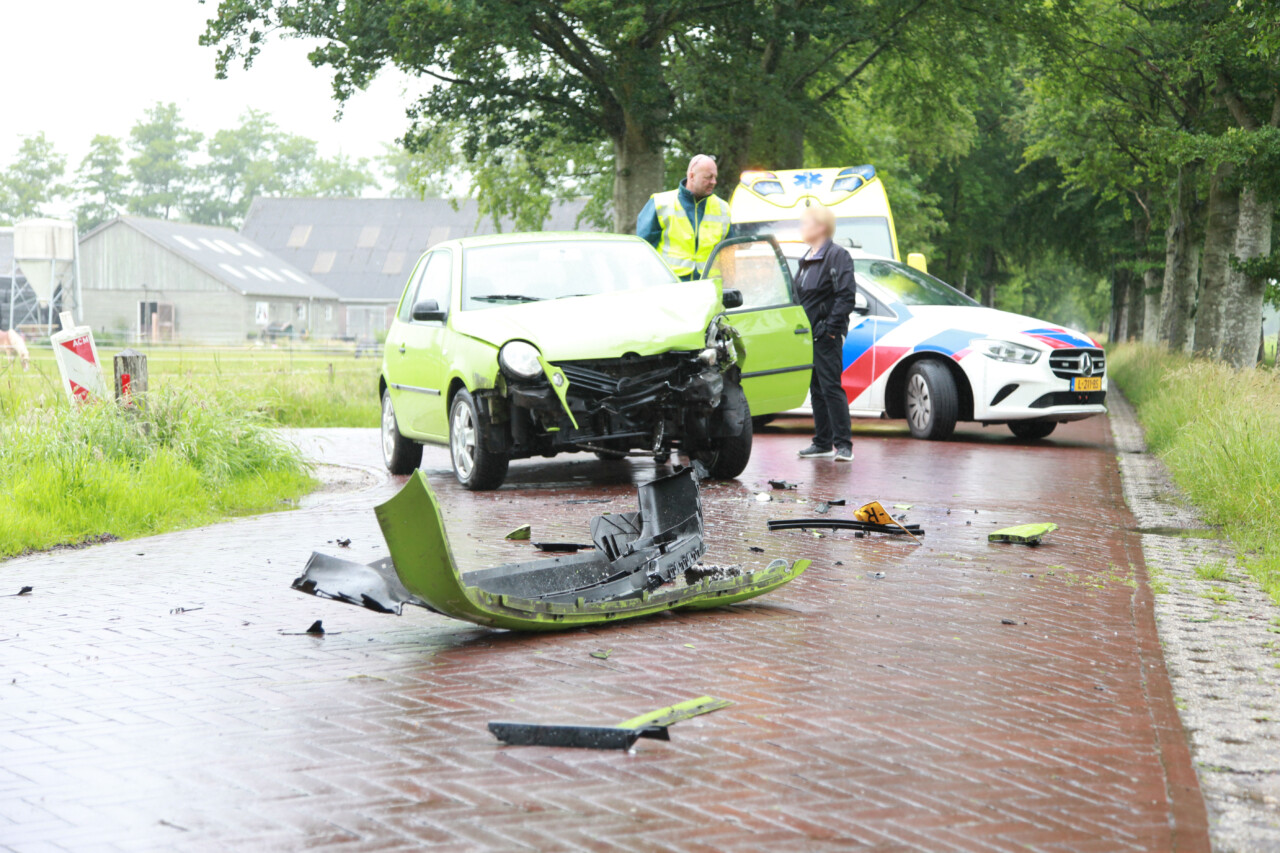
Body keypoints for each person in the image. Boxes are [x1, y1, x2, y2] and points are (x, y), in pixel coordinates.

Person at [794, 204, 856, 462]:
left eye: (806, 222)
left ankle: (844, 446)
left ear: (820, 227)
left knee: (830, 387)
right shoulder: (808, 256)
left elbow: (846, 295)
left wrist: (830, 329)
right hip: (808, 336)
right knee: (816, 389)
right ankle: (822, 442)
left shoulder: (837, 255)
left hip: (825, 335)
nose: (802, 227)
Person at [636, 154, 732, 280]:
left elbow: (729, 252)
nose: (714, 182)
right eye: (708, 177)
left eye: (715, 177)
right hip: (671, 286)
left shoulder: (723, 208)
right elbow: (643, 250)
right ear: (692, 176)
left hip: (709, 288)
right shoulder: (660, 203)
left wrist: (730, 284)